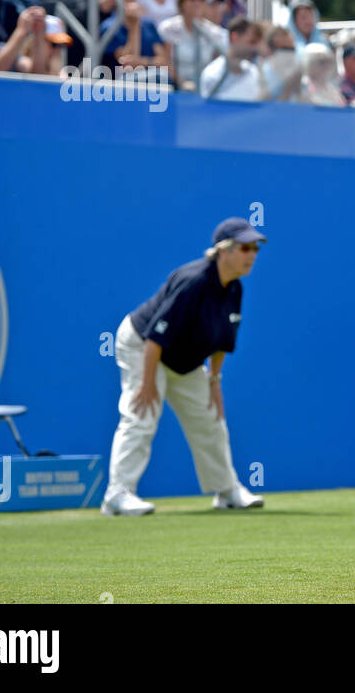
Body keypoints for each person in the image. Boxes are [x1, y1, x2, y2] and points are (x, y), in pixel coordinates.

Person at [101, 217, 267, 516]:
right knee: (142, 412)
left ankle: (227, 491)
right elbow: (155, 337)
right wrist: (147, 383)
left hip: (185, 361)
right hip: (143, 346)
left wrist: (214, 383)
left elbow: (221, 342)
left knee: (211, 417)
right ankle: (117, 494)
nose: (252, 254)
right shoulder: (193, 281)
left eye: (255, 248)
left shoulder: (235, 290)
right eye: (245, 248)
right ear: (223, 250)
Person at [158, 0, 227, 91]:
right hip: (174, 85)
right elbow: (165, 62)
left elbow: (217, 65)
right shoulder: (168, 28)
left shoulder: (215, 32)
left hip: (206, 86)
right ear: (181, 3)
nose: (197, 2)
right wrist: (183, 83)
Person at [100, 0, 167, 76]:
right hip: (120, 86)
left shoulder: (148, 24)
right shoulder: (108, 27)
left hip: (151, 81)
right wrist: (134, 25)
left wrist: (140, 61)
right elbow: (128, 67)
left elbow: (163, 62)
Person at [199, 15, 268, 101]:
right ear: (234, 37)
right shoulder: (211, 74)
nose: (256, 48)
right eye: (252, 42)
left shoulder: (254, 72)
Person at [300, 41, 345, 106]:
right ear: (309, 64)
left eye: (328, 61)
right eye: (321, 62)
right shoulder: (304, 86)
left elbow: (342, 106)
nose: (326, 66)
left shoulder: (331, 88)